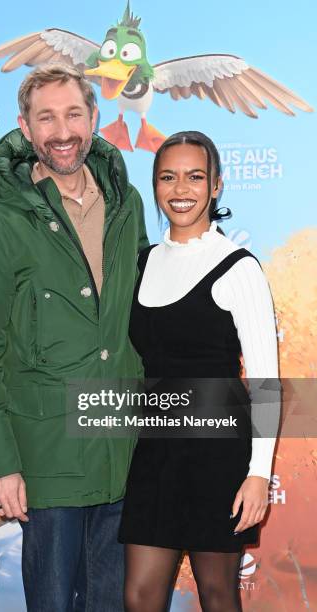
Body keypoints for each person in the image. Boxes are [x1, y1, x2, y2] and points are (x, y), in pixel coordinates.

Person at [0, 63, 148, 611]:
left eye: (73, 114)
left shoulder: (127, 206)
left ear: (93, 119)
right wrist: (0, 465)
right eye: (46, 118)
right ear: (26, 127)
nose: (62, 132)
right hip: (47, 463)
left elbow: (144, 319)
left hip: (124, 452)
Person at [118, 131, 280, 612]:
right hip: (155, 453)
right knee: (139, 595)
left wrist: (258, 475)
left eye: (194, 176)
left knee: (216, 594)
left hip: (218, 459)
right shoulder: (143, 263)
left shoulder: (238, 267)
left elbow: (267, 383)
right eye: (167, 177)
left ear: (216, 186)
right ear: (155, 186)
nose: (180, 189)